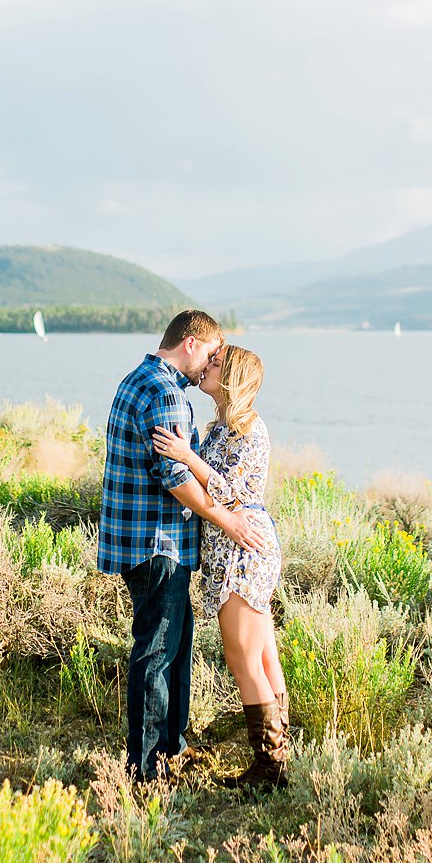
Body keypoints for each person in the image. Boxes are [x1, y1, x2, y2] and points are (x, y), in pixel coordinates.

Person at [99, 309, 268, 782]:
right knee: (157, 653)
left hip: (141, 539)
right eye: (212, 354)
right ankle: (148, 769)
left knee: (171, 646)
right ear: (191, 343)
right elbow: (176, 479)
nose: (211, 365)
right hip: (160, 542)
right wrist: (228, 522)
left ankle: (172, 747)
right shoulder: (167, 393)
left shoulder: (139, 378)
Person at [152, 346, 288, 787]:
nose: (205, 368)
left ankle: (269, 769)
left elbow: (229, 492)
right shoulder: (224, 426)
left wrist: (187, 457)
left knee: (243, 658)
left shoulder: (250, 430)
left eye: (214, 364)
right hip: (235, 545)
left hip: (242, 549)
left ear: (230, 377)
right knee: (262, 655)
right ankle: (278, 760)